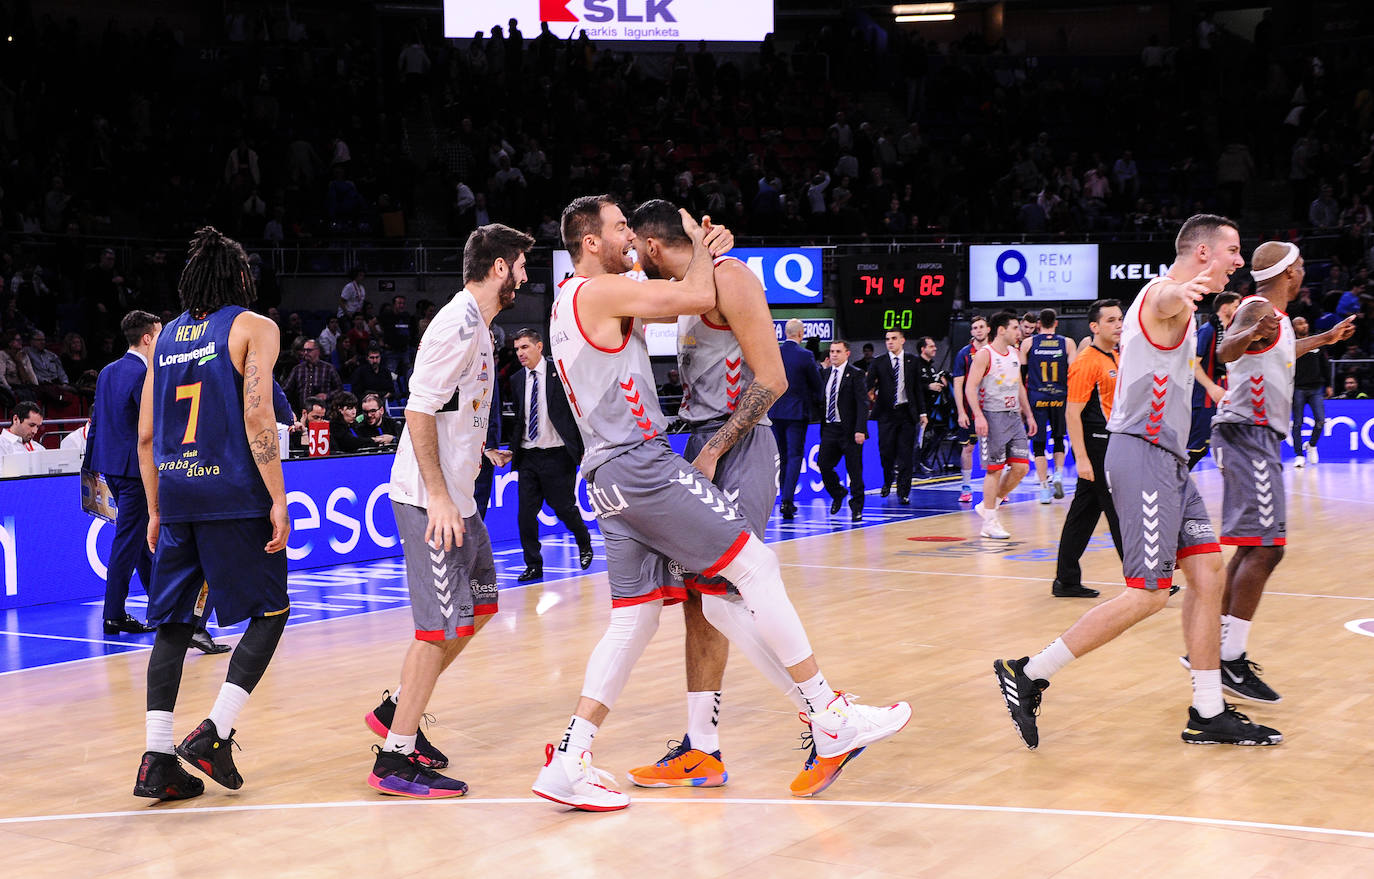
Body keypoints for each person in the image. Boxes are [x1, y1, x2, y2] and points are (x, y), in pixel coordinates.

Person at [534, 196, 910, 812]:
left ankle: (579, 756)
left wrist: (706, 251)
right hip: (646, 458)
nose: (628, 235)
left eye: (634, 227)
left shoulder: (611, 290)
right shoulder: (611, 291)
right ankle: (821, 715)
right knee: (735, 583)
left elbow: (762, 368)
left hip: (647, 463)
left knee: (666, 609)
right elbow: (687, 294)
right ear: (593, 241)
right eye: (618, 227)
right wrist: (700, 247)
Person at [994, 214, 1282, 750]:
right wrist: (1182, 288)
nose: (1240, 262)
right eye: (1233, 251)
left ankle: (1208, 709)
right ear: (1202, 253)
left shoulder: (1186, 310)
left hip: (1170, 460)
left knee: (1208, 574)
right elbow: (1166, 298)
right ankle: (1030, 672)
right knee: (1148, 594)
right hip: (1141, 455)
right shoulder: (1160, 295)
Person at [626, 201, 854, 798]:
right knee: (701, 603)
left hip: (742, 444)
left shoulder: (730, 275)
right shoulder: (689, 287)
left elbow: (772, 379)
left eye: (634, 243)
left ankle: (825, 719)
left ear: (652, 246)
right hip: (703, 439)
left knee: (734, 590)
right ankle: (703, 748)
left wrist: (715, 447)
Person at [360, 224, 530, 799]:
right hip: (429, 500)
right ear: (500, 267)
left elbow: (454, 410)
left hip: (462, 496)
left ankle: (394, 708)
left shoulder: (482, 328)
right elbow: (418, 411)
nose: (527, 275)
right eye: (522, 265)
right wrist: (436, 494)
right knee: (435, 630)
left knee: (481, 606)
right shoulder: (456, 325)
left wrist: (478, 450)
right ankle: (395, 758)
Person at [133, 227, 292, 801]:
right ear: (240, 279)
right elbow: (258, 419)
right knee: (271, 613)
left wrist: (155, 508)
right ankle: (214, 733)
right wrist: (277, 498)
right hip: (232, 496)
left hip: (177, 498)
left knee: (173, 625)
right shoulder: (254, 327)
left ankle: (156, 758)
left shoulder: (167, 336)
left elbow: (147, 436)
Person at [1206, 242, 1356, 703]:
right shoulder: (1256, 308)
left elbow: (1277, 349)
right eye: (1302, 267)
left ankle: (1213, 650)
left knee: (1254, 546)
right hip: (1248, 433)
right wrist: (1245, 335)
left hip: (1250, 435)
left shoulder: (1278, 320)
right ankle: (1228, 660)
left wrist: (1321, 342)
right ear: (1289, 272)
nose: (1305, 272)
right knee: (1268, 549)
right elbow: (1228, 349)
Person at [88, 311, 162, 636]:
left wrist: (90, 467)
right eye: (158, 335)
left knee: (140, 538)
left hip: (111, 467)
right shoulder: (145, 375)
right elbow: (152, 426)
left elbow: (96, 421)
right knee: (129, 540)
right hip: (136, 471)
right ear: (147, 338)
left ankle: (161, 606)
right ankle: (114, 614)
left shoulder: (106, 371)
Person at [1052, 300, 1124, 598]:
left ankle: (1066, 580)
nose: (1118, 324)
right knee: (1121, 512)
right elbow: (1072, 413)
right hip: (1097, 445)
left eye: (1120, 319)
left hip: (1111, 442)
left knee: (1083, 514)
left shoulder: (1116, 357)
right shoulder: (1086, 361)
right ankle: (1144, 579)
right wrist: (1081, 458)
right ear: (1094, 327)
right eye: (1111, 320)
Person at [509, 327, 593, 581]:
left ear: (539, 346)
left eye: (524, 347)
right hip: (528, 456)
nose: (520, 353)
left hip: (557, 454)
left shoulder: (560, 372)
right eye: (516, 349)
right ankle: (534, 564)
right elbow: (518, 419)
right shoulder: (516, 380)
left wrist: (581, 448)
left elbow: (576, 412)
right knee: (525, 514)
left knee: (564, 508)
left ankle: (584, 542)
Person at [964, 311, 1036, 539]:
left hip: (1014, 416)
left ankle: (988, 505)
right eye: (1015, 328)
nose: (1019, 332)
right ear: (1002, 330)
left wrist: (1029, 415)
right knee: (994, 470)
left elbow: (1019, 387)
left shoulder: (1015, 353)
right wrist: (979, 415)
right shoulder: (985, 355)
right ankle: (990, 523)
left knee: (1021, 467)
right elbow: (970, 387)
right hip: (992, 416)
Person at [1020, 308, 1077, 503]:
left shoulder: (1028, 343)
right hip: (1060, 397)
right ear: (1056, 323)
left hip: (1037, 398)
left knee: (1038, 444)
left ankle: (1044, 488)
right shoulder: (1067, 343)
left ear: (1038, 324)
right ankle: (1059, 475)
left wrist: (1022, 405)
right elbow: (1074, 374)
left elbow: (1021, 376)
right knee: (1059, 438)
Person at [769, 318, 821, 520]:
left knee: (782, 457)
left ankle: (784, 497)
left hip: (775, 412)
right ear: (801, 334)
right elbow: (817, 385)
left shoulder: (775, 353)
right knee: (794, 456)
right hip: (796, 414)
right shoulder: (805, 355)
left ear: (784, 333)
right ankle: (787, 501)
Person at [867, 328, 926, 503]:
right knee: (886, 451)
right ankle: (887, 480)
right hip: (886, 413)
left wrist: (922, 412)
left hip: (906, 412)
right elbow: (867, 385)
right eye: (887, 339)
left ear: (902, 340)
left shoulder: (912, 361)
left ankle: (904, 491)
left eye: (893, 338)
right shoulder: (879, 362)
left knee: (905, 454)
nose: (890, 342)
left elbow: (917, 389)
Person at [1187, 291, 1241, 468]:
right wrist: (1211, 387)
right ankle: (1175, 483)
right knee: (1198, 446)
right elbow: (1193, 364)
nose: (1238, 310)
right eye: (1235, 307)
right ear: (1224, 308)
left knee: (1229, 444)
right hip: (1204, 398)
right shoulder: (1208, 330)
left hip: (1223, 396)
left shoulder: (1230, 333)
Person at [817, 340, 869, 521]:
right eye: (831, 351)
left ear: (847, 353)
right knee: (823, 464)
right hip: (830, 428)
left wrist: (860, 429)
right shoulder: (825, 374)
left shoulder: (856, 374)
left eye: (838, 351)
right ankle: (838, 492)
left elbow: (863, 404)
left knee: (854, 470)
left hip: (850, 430)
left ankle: (857, 507)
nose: (834, 355)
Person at [951, 315, 990, 502]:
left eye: (981, 327)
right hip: (971, 409)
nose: (978, 330)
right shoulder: (964, 354)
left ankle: (998, 488)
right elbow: (957, 385)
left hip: (993, 408)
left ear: (988, 329)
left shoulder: (997, 351)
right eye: (974, 328)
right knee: (968, 448)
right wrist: (961, 411)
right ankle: (966, 487)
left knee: (997, 448)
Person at [1290, 316, 1330, 466]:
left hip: (1315, 388)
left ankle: (1312, 445)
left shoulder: (1316, 341)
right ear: (1294, 328)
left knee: (1320, 420)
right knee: (1297, 423)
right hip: (1297, 388)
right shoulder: (1290, 344)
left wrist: (1328, 384)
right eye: (1299, 324)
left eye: (1305, 322)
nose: (1303, 325)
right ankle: (1299, 455)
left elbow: (1325, 364)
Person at [281, 336, 343, 412]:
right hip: (303, 413)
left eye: (309, 350)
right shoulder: (297, 369)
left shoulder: (328, 368)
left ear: (317, 351)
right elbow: (286, 389)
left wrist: (327, 396)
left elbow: (340, 389)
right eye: (304, 350)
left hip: (324, 414)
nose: (305, 353)